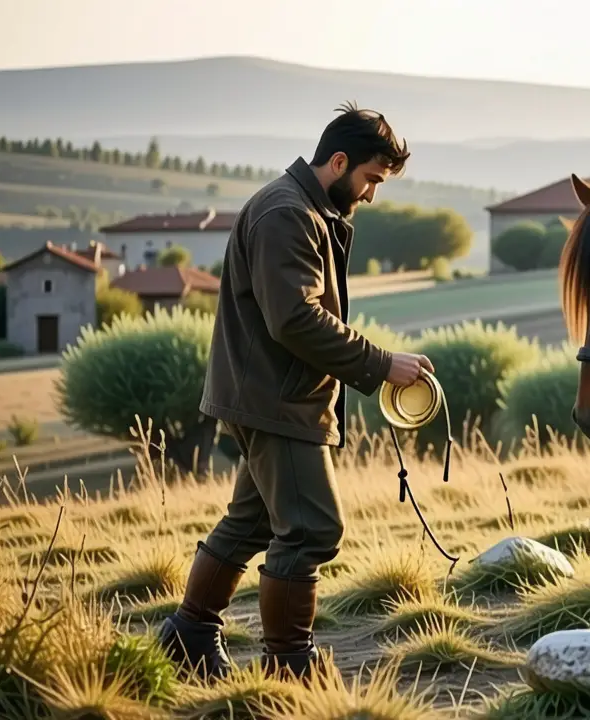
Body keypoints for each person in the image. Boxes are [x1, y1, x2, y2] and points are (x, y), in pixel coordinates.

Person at [155, 103, 434, 680]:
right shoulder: (288, 214)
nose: (371, 194)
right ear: (339, 161)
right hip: (276, 402)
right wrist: (382, 365)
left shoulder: (300, 207)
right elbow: (296, 320)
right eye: (370, 179)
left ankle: (188, 635)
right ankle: (290, 668)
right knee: (311, 528)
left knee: (251, 523)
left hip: (267, 396)